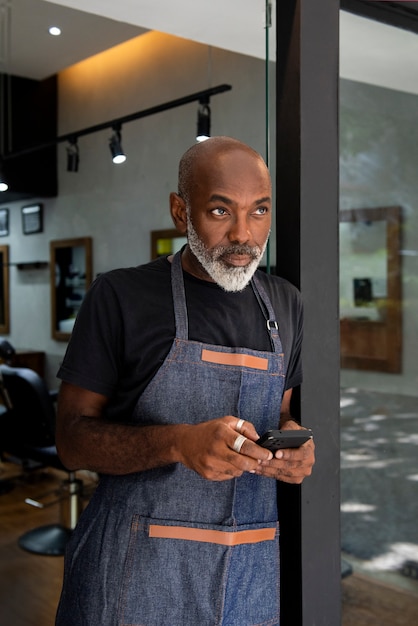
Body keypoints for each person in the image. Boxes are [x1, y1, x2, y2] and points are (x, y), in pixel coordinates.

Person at [55, 136, 315, 626]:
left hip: (249, 571)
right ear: (181, 212)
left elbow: (280, 415)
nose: (244, 234)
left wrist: (295, 450)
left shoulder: (285, 304)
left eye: (259, 211)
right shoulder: (120, 296)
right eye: (221, 211)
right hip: (134, 571)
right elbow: (71, 441)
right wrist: (179, 443)